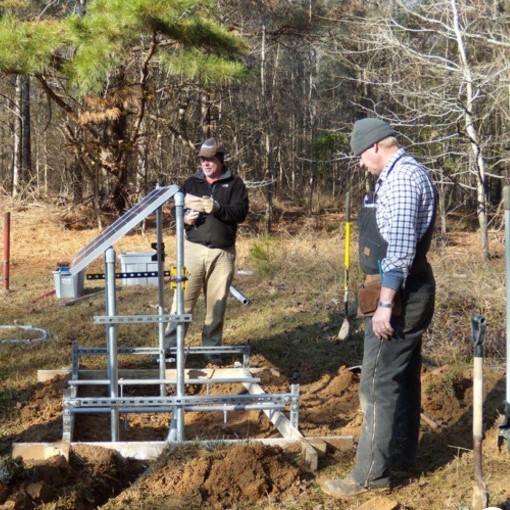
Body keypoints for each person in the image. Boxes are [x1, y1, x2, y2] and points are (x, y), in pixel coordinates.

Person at [320, 118, 437, 498]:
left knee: (376, 381)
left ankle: (370, 475)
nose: (359, 162)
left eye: (360, 155)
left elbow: (399, 253)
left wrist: (385, 304)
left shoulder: (402, 180)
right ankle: (398, 456)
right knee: (401, 376)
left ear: (374, 146)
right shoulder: (401, 174)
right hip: (404, 287)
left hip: (399, 292)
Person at [164, 137, 249, 365]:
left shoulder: (235, 184)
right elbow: (174, 209)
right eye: (203, 159)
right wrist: (184, 218)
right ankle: (170, 350)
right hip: (192, 251)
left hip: (222, 254)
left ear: (220, 160)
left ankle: (212, 350)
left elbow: (241, 212)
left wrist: (218, 208)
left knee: (216, 304)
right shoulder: (191, 183)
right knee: (181, 302)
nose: (206, 164)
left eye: (210, 160)